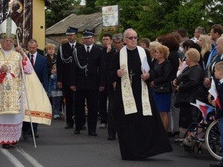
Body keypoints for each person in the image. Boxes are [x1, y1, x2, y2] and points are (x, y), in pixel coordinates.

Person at [110, 29, 172, 160]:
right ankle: (130, 152)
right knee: (127, 123)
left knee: (145, 122)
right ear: (124, 40)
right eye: (130, 38)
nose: (133, 40)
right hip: (125, 94)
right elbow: (108, 73)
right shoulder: (118, 55)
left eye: (135, 37)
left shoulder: (143, 53)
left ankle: (144, 151)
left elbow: (153, 72)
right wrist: (116, 74)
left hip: (142, 93)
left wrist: (148, 75)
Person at [0, 27, 34, 148]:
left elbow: (28, 70)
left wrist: (23, 54)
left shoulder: (18, 56)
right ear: (1, 42)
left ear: (14, 42)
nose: (8, 42)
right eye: (6, 40)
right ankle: (3, 139)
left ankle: (12, 139)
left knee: (14, 116)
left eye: (11, 41)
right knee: (1, 116)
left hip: (15, 93)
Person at [69, 30, 104, 136]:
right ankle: (78, 127)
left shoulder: (98, 50)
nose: (87, 40)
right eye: (85, 38)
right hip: (80, 83)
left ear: (93, 39)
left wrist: (102, 83)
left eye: (89, 38)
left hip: (93, 83)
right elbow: (73, 68)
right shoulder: (77, 50)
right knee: (79, 106)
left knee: (93, 107)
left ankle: (92, 129)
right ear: (82, 39)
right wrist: (72, 83)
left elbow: (102, 68)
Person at [25, 38, 49, 139]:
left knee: (35, 110)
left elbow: (45, 76)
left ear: (37, 47)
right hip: (25, 88)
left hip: (38, 88)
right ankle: (25, 130)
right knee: (26, 110)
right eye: (30, 48)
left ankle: (34, 130)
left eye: (33, 48)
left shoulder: (42, 59)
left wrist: (46, 90)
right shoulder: (23, 57)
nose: (31, 50)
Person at [57, 27, 78, 129]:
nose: (69, 37)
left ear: (75, 36)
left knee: (79, 101)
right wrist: (59, 79)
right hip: (66, 78)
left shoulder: (80, 46)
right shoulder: (62, 47)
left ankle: (80, 122)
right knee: (68, 101)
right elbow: (59, 64)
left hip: (79, 79)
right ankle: (69, 121)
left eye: (71, 35)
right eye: (68, 35)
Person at [149, 43, 174, 133]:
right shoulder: (155, 63)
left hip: (164, 90)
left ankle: (164, 131)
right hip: (156, 89)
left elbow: (166, 77)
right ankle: (159, 130)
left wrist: (154, 81)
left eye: (157, 52)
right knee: (158, 111)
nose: (155, 54)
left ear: (162, 54)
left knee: (164, 111)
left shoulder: (166, 63)